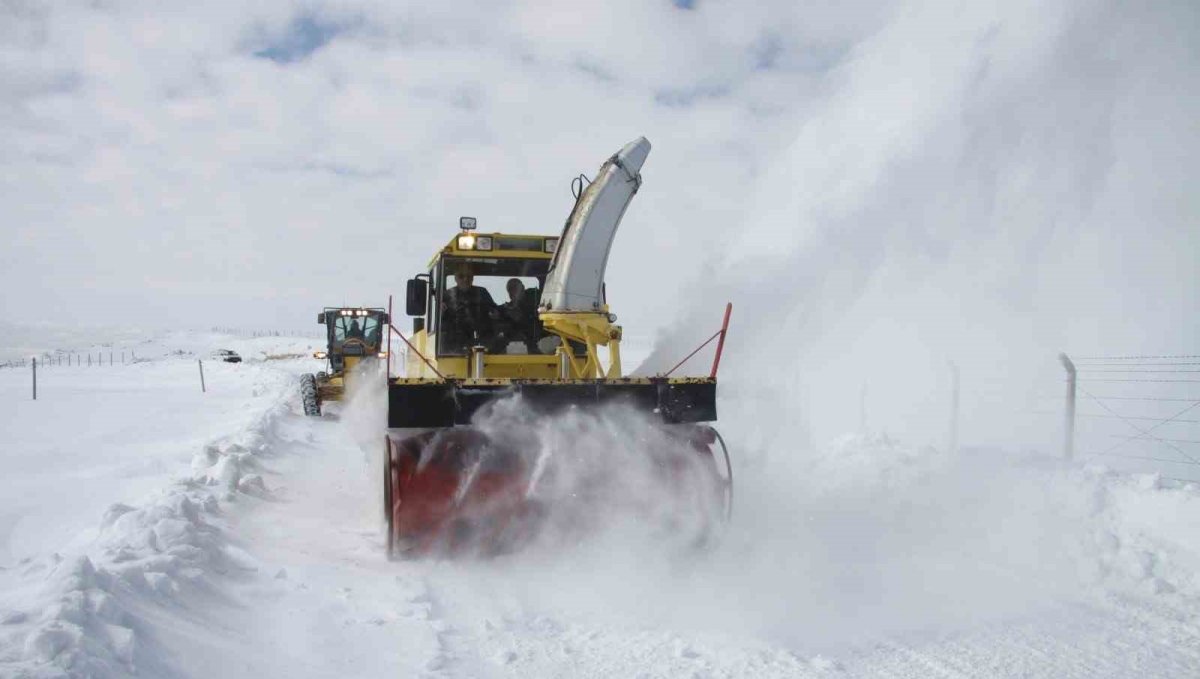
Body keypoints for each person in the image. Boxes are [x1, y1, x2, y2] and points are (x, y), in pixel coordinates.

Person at [441, 264, 498, 352]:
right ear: (455, 278)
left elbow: (494, 311)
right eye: (461, 276)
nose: (465, 279)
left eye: (469, 276)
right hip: (454, 346)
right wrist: (442, 311)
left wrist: (494, 313)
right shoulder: (446, 296)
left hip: (483, 342)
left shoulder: (482, 293)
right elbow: (440, 322)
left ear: (473, 278)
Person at [496, 278, 542, 353]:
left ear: (523, 288)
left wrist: (521, 315)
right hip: (510, 349)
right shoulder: (504, 309)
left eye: (515, 288)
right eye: (510, 290)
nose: (512, 292)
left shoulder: (535, 298)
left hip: (537, 348)